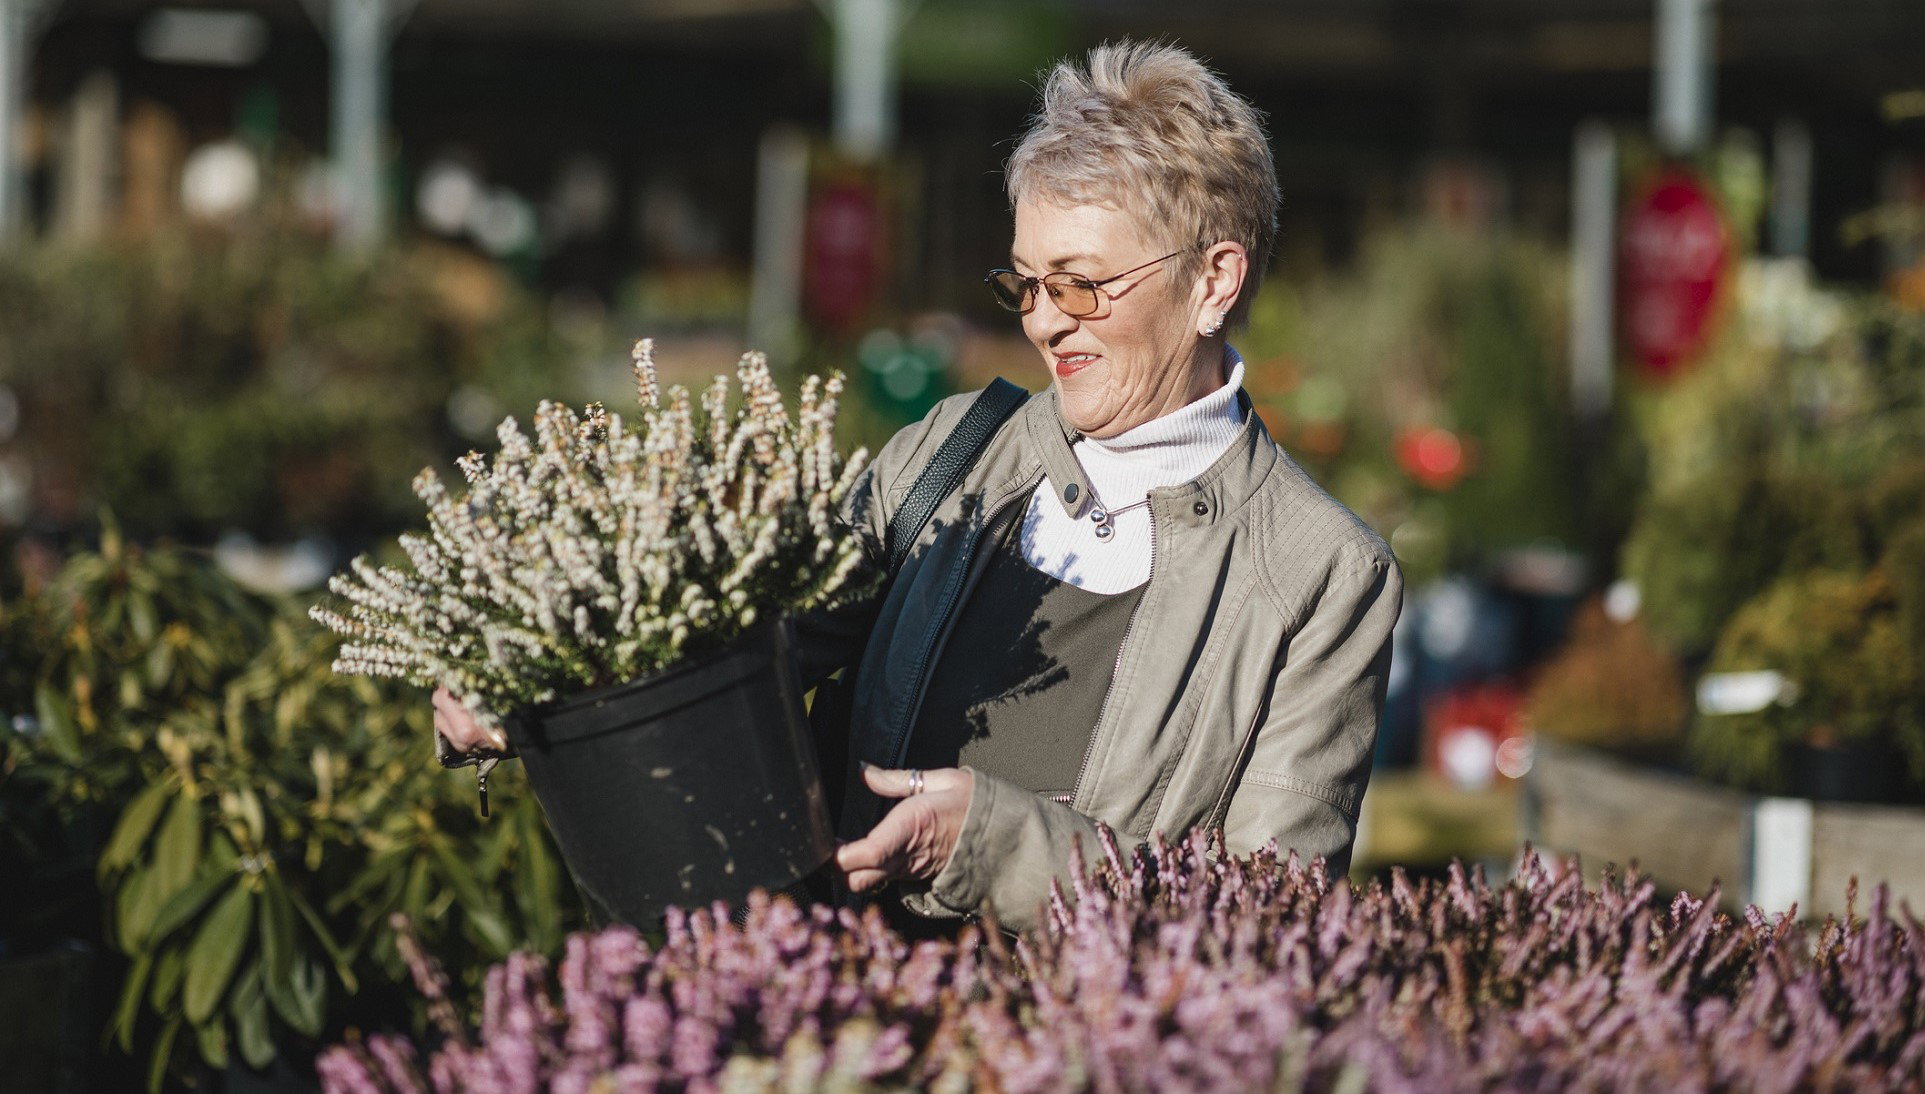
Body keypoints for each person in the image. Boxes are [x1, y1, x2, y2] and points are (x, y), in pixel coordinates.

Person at [439, 40, 1402, 935]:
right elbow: (740, 646)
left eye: (1078, 284)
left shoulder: (1318, 574)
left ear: (1213, 281)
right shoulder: (952, 455)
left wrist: (993, 844)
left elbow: (1271, 918)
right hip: (830, 1027)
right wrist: (542, 682)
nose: (1043, 324)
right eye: (1023, 284)